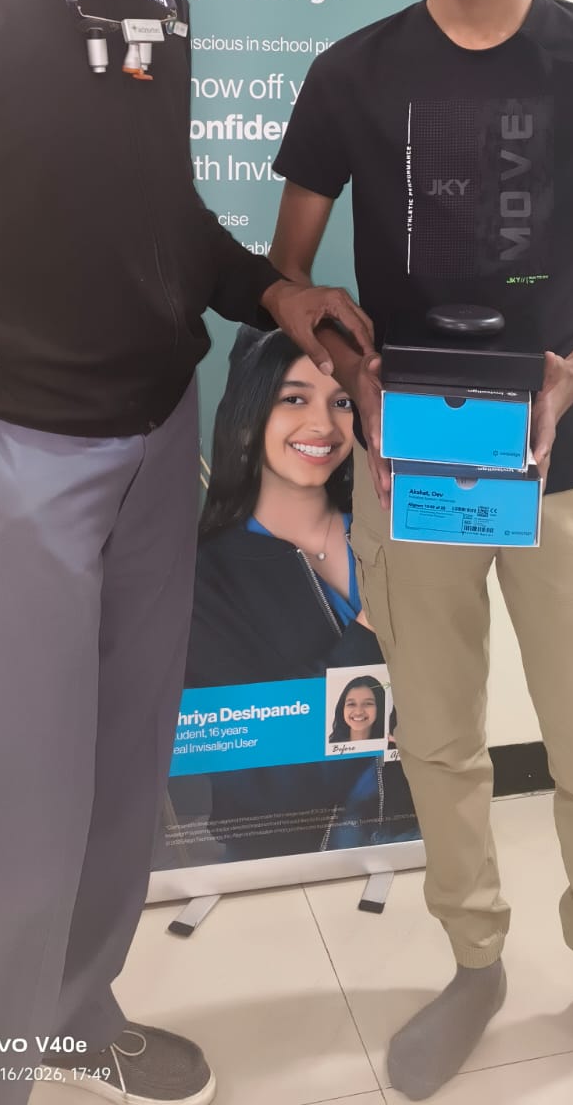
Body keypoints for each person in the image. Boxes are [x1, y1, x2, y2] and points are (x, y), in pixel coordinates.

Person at [0, 0, 373, 1105]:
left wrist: (272, 294)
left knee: (127, 763)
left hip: (154, 430)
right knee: (19, 792)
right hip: (11, 444)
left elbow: (162, 210)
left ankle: (75, 1010)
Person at [270, 0, 573, 1104]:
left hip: (569, 470)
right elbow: (295, 274)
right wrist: (358, 376)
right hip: (414, 471)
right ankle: (476, 962)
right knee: (438, 740)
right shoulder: (352, 73)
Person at [173, 328, 419, 857]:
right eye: (294, 399)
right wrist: (370, 632)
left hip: (418, 843)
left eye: (342, 402)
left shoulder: (390, 538)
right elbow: (254, 774)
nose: (323, 424)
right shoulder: (204, 575)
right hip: (286, 863)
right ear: (248, 418)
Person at [328, 676, 386, 744]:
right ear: (342, 708)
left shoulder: (390, 745)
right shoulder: (327, 746)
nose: (358, 712)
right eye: (351, 704)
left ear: (380, 707)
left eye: (368, 703)